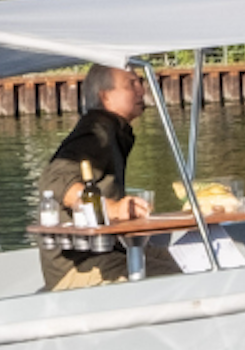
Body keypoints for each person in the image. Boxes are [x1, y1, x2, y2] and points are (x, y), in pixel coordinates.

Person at [37, 66, 161, 291]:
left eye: (140, 83)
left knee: (184, 262)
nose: (141, 90)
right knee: (178, 278)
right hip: (81, 266)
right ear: (105, 96)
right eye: (131, 84)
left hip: (105, 254)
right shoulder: (96, 131)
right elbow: (54, 180)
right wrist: (112, 208)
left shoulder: (113, 130)